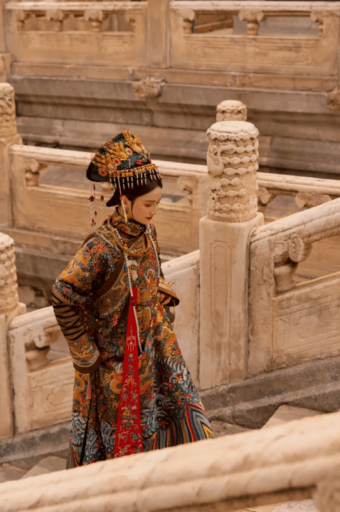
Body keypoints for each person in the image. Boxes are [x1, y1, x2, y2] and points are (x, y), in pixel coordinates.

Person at [51, 131, 215, 468]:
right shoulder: (101, 247)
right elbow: (63, 293)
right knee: (119, 430)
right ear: (125, 201)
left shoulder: (147, 230)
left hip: (153, 343)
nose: (154, 212)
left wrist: (158, 305)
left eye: (157, 204)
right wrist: (86, 352)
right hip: (115, 358)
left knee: (170, 406)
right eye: (148, 205)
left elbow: (154, 272)